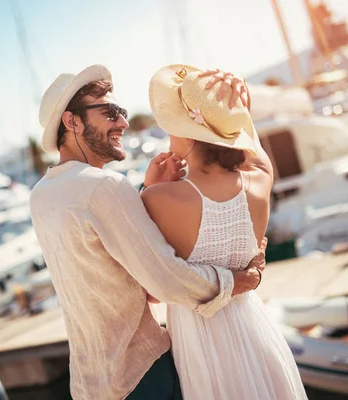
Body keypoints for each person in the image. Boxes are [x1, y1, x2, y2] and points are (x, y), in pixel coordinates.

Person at [30, 64, 267, 400]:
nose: (123, 123)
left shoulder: (42, 195)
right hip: (140, 375)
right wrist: (239, 280)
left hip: (89, 383)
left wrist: (146, 192)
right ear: (72, 122)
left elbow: (105, 262)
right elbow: (166, 281)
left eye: (121, 111)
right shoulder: (104, 188)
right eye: (110, 112)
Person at [145, 64, 307, 399]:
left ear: (189, 132)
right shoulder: (260, 179)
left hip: (203, 347)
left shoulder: (158, 197)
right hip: (255, 327)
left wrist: (149, 188)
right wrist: (239, 109)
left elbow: (152, 292)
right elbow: (254, 151)